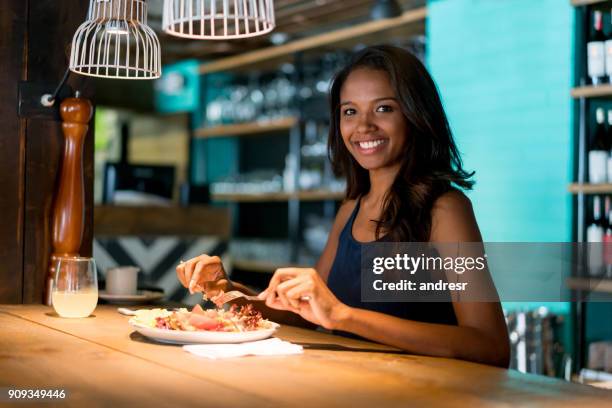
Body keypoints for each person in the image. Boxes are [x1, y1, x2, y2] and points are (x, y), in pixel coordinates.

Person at [176, 45, 510, 368]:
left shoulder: (446, 209)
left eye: (383, 108)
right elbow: (306, 312)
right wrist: (227, 289)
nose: (363, 126)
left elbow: (490, 346)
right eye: (350, 111)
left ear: (415, 114)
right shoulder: (352, 208)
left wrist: (343, 316)